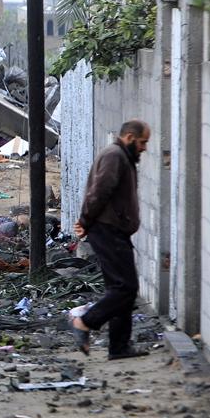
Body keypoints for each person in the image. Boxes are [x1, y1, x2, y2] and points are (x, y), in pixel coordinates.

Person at [70, 119, 152, 360]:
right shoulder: (115, 156)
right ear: (128, 137)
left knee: (120, 288)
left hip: (113, 229)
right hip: (107, 229)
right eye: (142, 142)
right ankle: (84, 321)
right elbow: (99, 191)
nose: (145, 148)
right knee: (126, 288)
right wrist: (85, 221)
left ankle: (119, 347)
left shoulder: (121, 156)